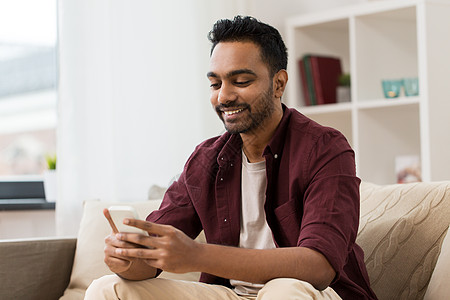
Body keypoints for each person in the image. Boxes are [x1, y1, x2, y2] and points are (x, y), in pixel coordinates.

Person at [85, 16, 377, 300]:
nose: (224, 97)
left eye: (240, 81)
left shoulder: (325, 148)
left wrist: (197, 255)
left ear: (278, 84)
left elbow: (319, 266)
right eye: (215, 84)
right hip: (231, 294)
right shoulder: (205, 160)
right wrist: (130, 261)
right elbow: (152, 259)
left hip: (308, 293)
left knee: (285, 291)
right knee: (107, 288)